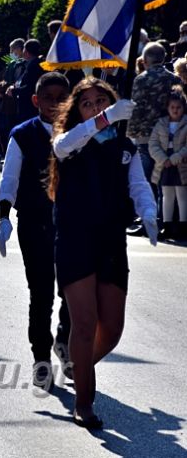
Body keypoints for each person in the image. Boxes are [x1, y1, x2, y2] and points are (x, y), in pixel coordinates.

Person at [49, 78, 157, 429]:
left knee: (110, 329)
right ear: (77, 110)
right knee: (82, 324)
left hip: (111, 240)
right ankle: (84, 402)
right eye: (88, 103)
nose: (96, 107)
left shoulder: (123, 147)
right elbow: (62, 147)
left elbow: (138, 183)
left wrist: (150, 212)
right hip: (75, 238)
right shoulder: (73, 140)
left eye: (103, 101)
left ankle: (79, 367)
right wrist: (104, 118)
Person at [0, 72, 73, 389]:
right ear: (36, 101)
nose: (55, 104)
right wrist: (3, 216)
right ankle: (41, 357)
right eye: (48, 98)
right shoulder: (23, 135)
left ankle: (65, 343)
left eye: (61, 98)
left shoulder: (79, 132)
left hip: (71, 224)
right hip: (34, 223)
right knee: (41, 294)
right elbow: (9, 177)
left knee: (71, 291)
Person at [127, 42, 181, 234]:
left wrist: (130, 133)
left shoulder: (141, 79)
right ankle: (167, 221)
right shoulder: (174, 79)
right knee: (166, 180)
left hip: (145, 136)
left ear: (146, 59)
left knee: (147, 180)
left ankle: (149, 221)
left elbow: (136, 108)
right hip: (170, 135)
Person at [148, 87, 187, 240]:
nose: (175, 110)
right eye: (172, 107)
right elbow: (153, 144)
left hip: (181, 164)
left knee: (182, 195)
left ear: (183, 108)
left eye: (178, 107)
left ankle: (183, 226)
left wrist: (176, 158)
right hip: (164, 164)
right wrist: (163, 159)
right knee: (166, 195)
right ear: (167, 108)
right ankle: (167, 226)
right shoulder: (160, 124)